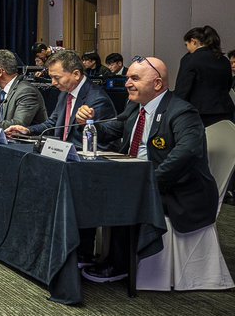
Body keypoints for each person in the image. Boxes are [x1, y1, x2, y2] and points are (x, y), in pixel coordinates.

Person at [82, 56, 231, 288]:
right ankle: (88, 253)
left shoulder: (182, 112)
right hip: (139, 179)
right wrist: (91, 123)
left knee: (122, 197)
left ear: (158, 84)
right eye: (128, 77)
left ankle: (120, 264)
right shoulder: (135, 107)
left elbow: (187, 153)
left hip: (181, 191)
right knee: (93, 187)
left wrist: (149, 181)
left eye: (134, 78)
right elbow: (112, 129)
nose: (127, 83)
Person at [8, 50, 119, 146]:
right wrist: (27, 130)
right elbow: (52, 124)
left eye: (57, 78)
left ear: (76, 74)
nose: (53, 83)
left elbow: (103, 141)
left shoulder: (97, 99)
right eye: (51, 78)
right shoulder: (65, 92)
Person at [176, 25, 234, 126]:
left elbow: (183, 90)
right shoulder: (224, 60)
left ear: (194, 41)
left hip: (199, 113)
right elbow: (228, 85)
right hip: (226, 111)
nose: (187, 49)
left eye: (187, 45)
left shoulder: (190, 59)